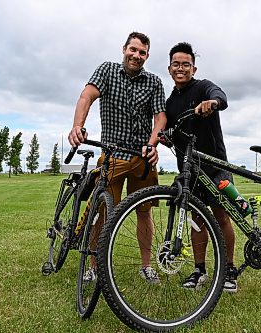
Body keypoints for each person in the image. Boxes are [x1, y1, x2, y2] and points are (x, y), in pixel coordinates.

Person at [68, 32, 167, 283]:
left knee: (144, 212)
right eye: (133, 50)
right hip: (113, 155)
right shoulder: (107, 70)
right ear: (124, 49)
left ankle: (145, 266)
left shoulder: (154, 82)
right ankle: (94, 266)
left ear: (147, 55)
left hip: (141, 158)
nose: (136, 55)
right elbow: (86, 96)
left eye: (142, 52)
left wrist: (152, 143)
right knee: (103, 212)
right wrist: (77, 125)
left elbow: (160, 118)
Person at [164, 42, 238, 292]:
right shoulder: (170, 102)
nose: (181, 68)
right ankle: (199, 270)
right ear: (169, 68)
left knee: (221, 216)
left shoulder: (204, 86)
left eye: (186, 64)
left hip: (214, 165)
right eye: (176, 64)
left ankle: (229, 269)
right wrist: (165, 137)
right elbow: (171, 132)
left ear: (193, 68)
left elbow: (221, 97)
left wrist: (212, 103)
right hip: (190, 171)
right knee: (197, 218)